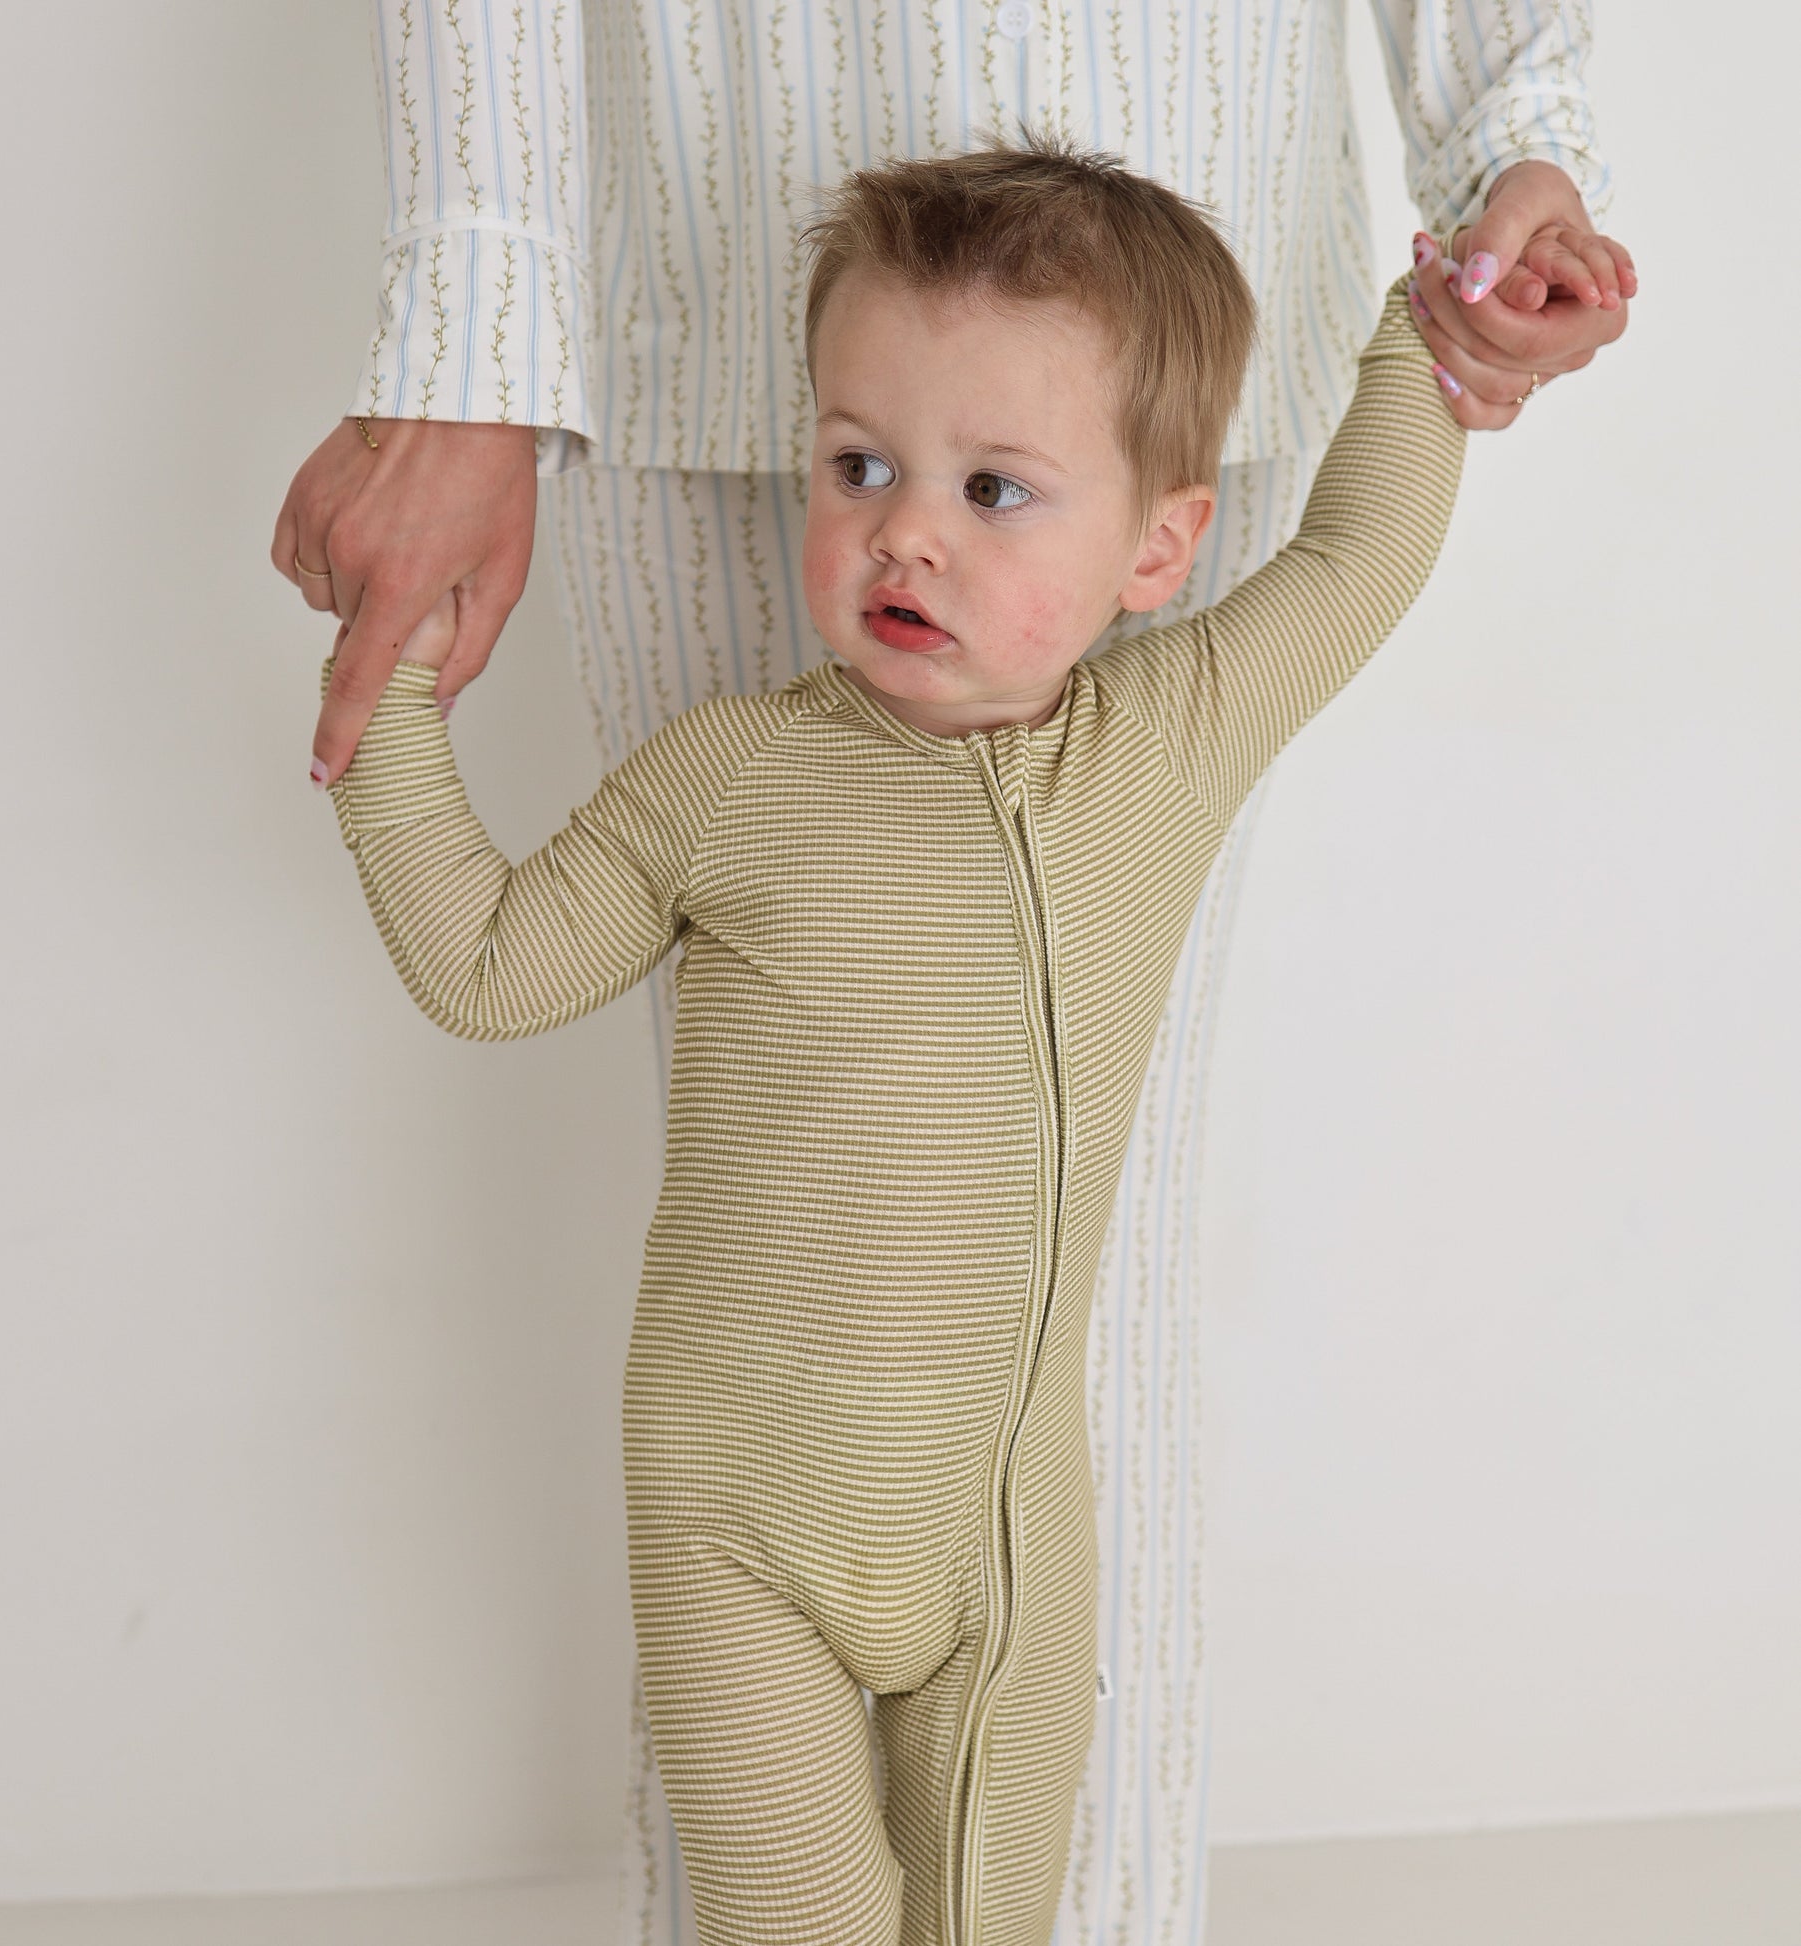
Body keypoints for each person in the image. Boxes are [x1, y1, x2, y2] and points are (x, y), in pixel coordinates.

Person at [273, 8, 1636, 1939]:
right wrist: (389, 706)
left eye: (992, 489)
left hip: (1007, 1557)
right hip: (735, 1547)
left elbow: (1353, 554)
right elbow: (490, 966)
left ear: (1159, 547)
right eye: (856, 463)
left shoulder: (1166, 740)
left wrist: (1449, 307)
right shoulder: (724, 776)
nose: (901, 530)